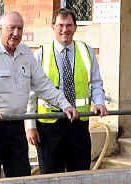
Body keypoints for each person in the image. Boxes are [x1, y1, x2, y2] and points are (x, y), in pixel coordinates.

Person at [0, 11, 79, 180]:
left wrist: (65, 105)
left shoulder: (26, 54)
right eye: (11, 28)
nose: (16, 33)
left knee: (21, 176)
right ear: (0, 28)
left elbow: (44, 85)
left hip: (15, 126)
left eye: (20, 29)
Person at [26, 8, 108, 174]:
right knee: (50, 177)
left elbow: (96, 83)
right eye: (60, 25)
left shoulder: (86, 51)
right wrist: (30, 125)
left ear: (75, 27)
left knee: (80, 174)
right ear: (53, 27)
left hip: (78, 125)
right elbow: (31, 93)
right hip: (49, 125)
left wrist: (99, 102)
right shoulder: (40, 54)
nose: (65, 30)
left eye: (69, 25)